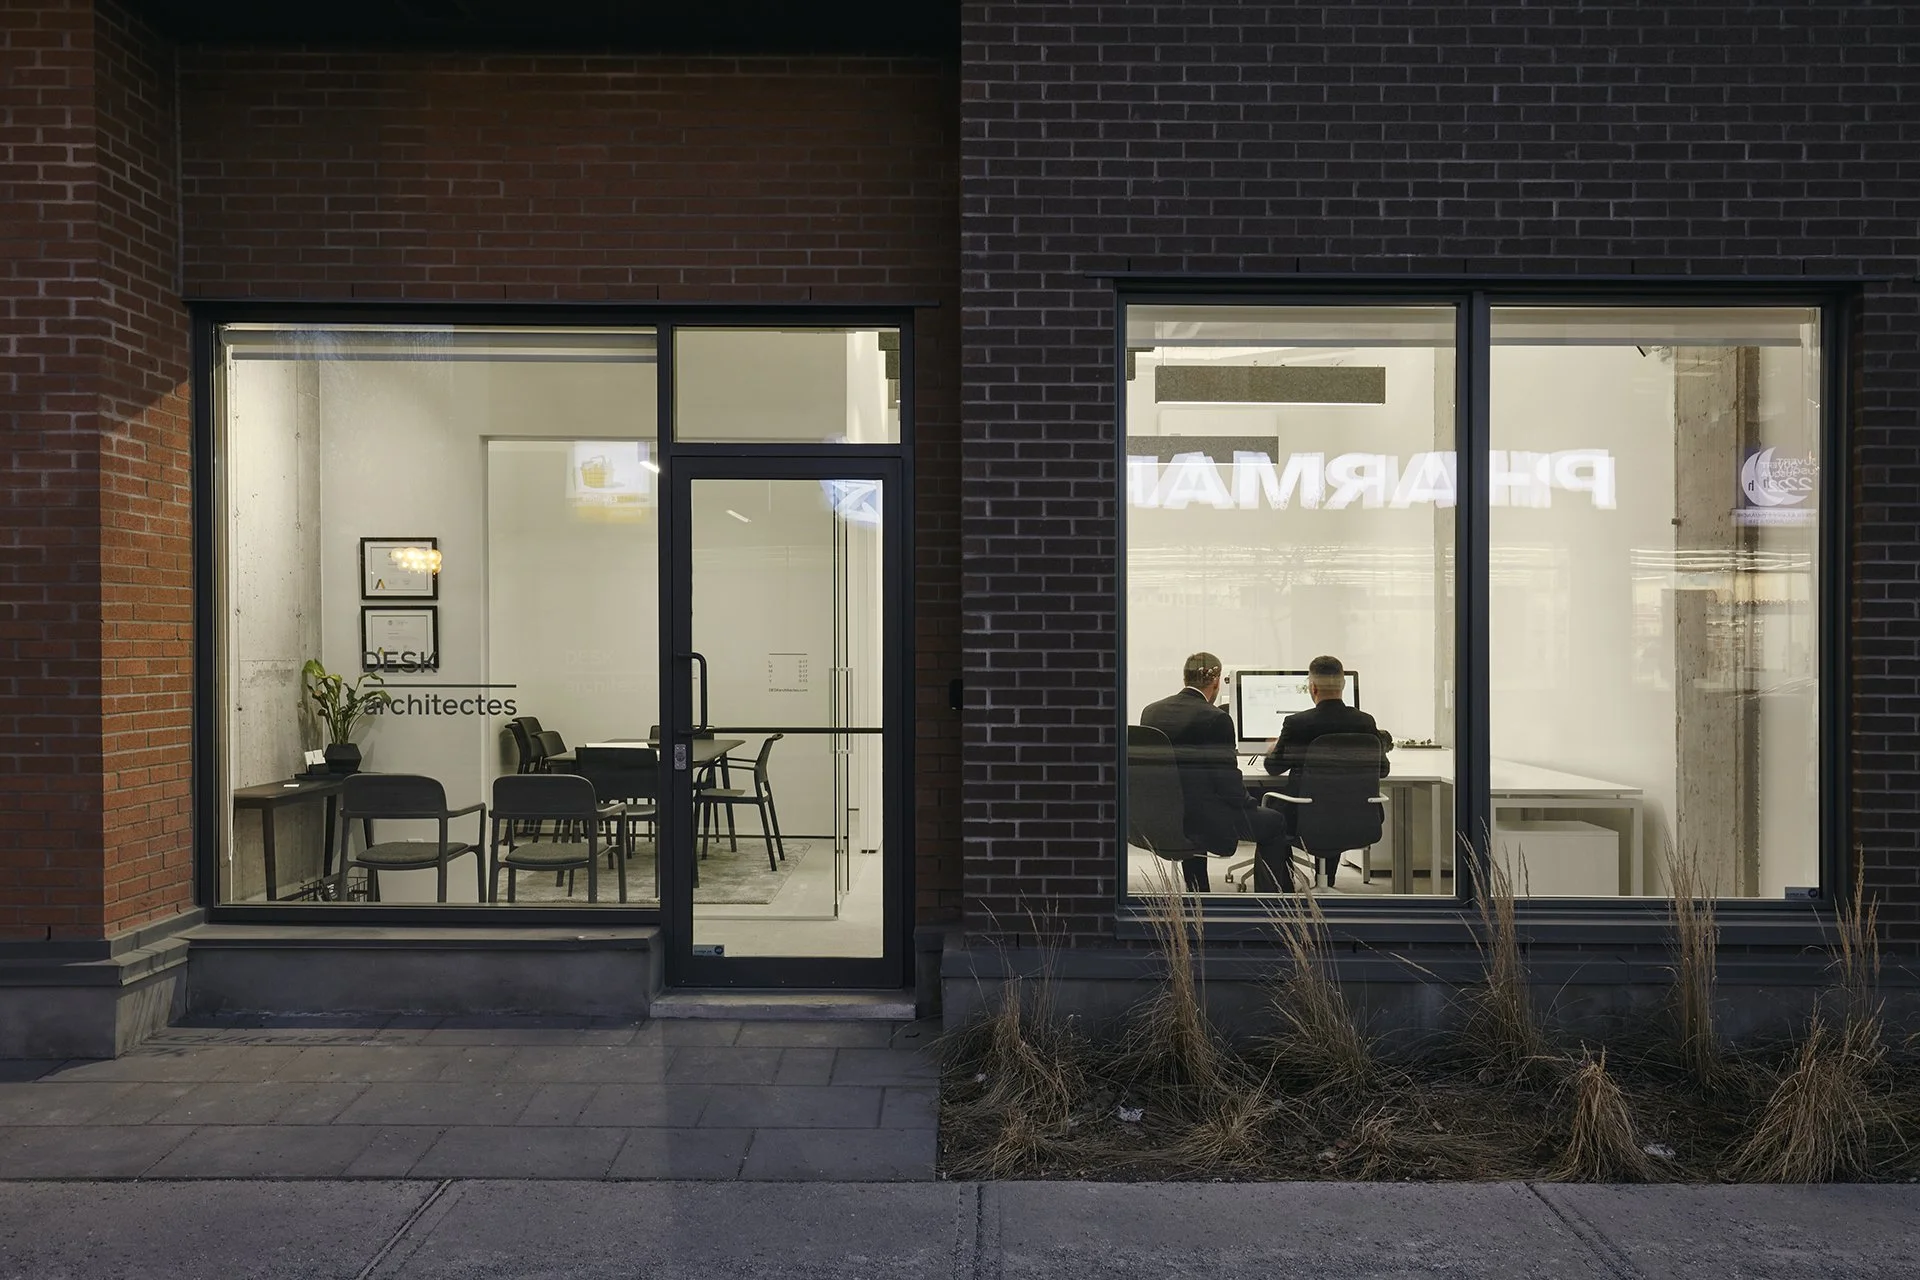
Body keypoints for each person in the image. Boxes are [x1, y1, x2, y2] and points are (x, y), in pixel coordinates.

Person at [1140, 652, 1295, 894]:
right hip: (1206, 819)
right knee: (1275, 822)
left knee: (1193, 807)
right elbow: (1228, 784)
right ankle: (1272, 902)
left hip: (1166, 817)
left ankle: (1198, 892)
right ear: (1216, 683)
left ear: (1185, 678)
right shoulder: (1217, 718)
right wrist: (1250, 803)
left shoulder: (1151, 712)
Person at [1262, 654, 1391, 887]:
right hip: (1357, 816)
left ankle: (1282, 892)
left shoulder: (1297, 723)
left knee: (1272, 815)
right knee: (1335, 799)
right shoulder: (1364, 722)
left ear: (1312, 687)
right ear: (1343, 685)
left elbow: (1273, 768)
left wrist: (1273, 748)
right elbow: (1382, 770)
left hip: (1304, 816)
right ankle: (1327, 882)